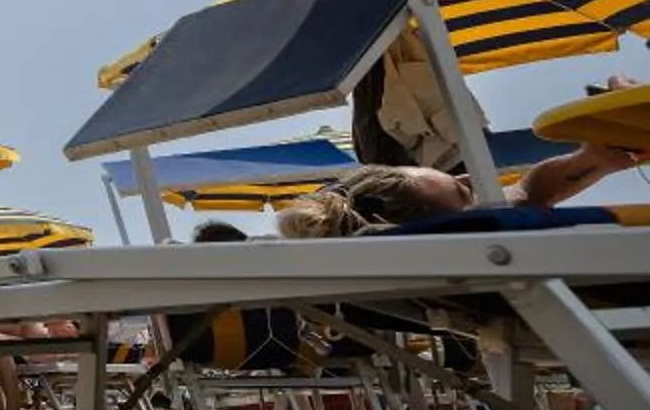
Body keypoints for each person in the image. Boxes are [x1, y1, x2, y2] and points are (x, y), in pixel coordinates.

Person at [274, 140, 643, 238]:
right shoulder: (486, 237)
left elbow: (528, 192)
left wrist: (593, 159)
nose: (472, 179)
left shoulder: (458, 242)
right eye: (464, 193)